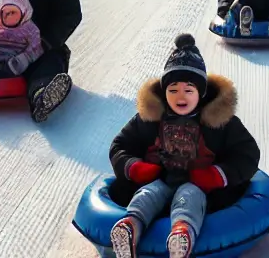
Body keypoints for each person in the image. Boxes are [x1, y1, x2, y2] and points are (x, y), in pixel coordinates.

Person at [106, 34, 260, 258]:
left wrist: (218, 175)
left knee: (189, 198)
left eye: (188, 90)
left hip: (199, 182)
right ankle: (130, 228)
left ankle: (181, 235)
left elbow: (248, 154)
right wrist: (133, 167)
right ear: (163, 91)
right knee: (147, 194)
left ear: (201, 93)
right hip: (160, 178)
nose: (180, 97)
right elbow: (120, 145)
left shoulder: (219, 122)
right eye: (173, 90)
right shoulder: (150, 118)